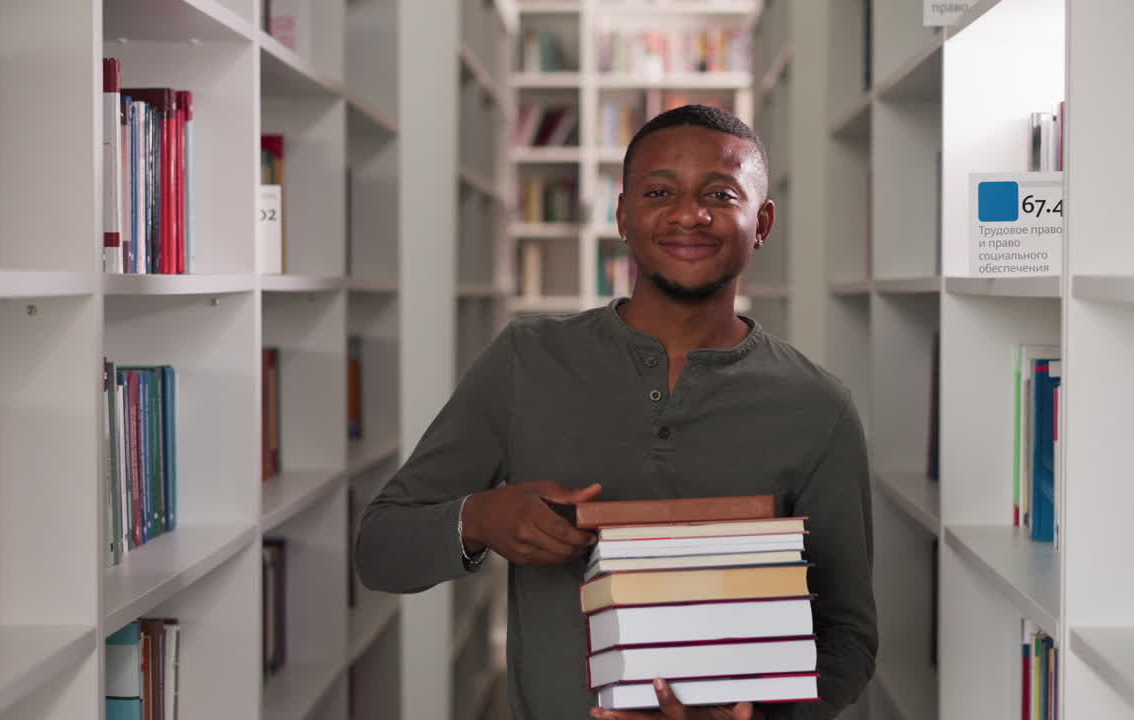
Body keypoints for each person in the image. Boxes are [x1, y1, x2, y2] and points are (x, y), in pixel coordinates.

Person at [355, 104, 877, 720]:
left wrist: (761, 719)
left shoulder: (818, 406)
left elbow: (848, 634)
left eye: (720, 192)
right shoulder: (525, 359)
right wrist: (480, 518)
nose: (689, 213)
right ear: (623, 214)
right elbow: (379, 549)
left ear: (761, 221)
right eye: (660, 192)